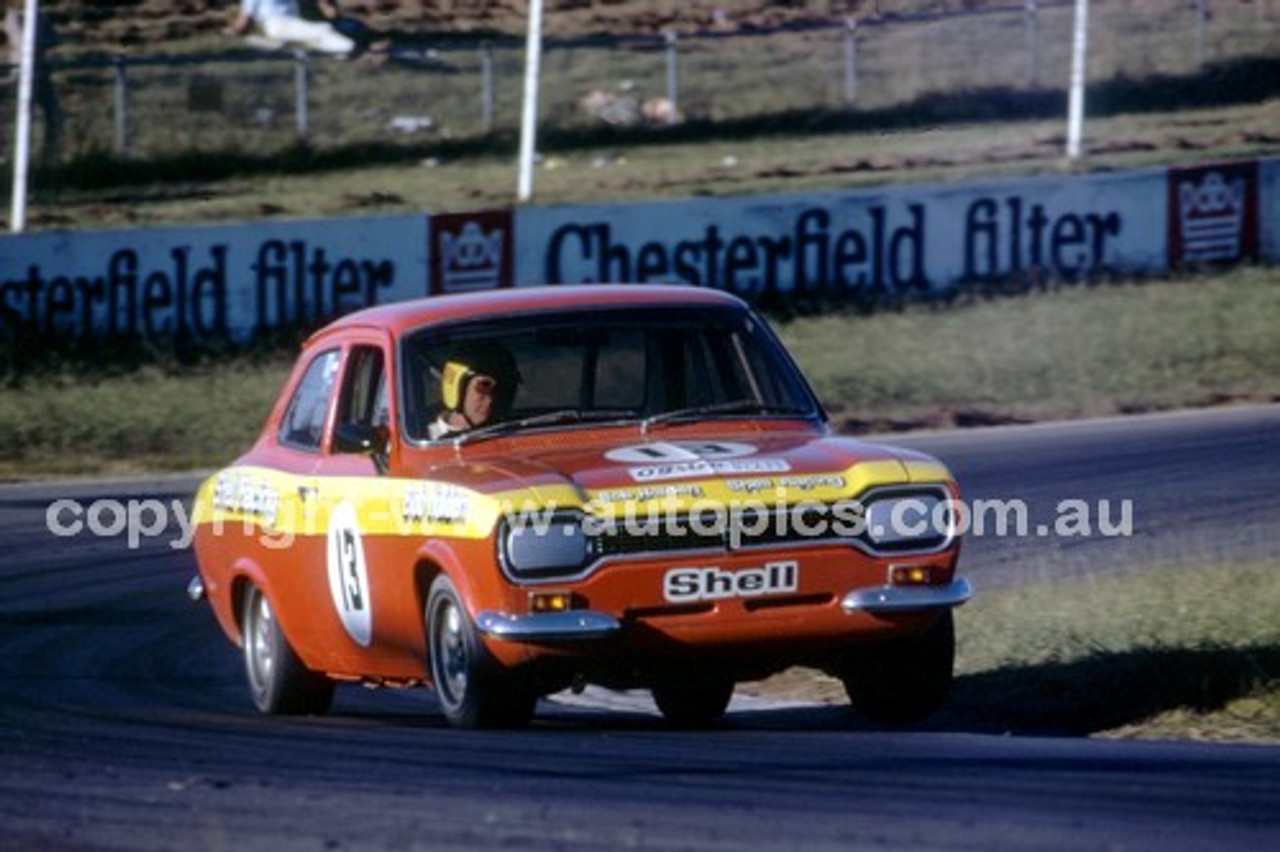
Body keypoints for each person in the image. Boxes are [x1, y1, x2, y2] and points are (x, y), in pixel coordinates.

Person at [429, 341, 519, 440]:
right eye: (483, 387)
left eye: (502, 389)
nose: (491, 400)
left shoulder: (519, 434)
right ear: (457, 387)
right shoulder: (424, 442)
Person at [226, 0, 355, 56]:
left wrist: (325, 6)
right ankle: (348, 48)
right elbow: (245, 19)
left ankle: (344, 49)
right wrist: (231, 32)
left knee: (318, 35)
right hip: (276, 25)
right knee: (322, 29)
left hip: (288, 25)